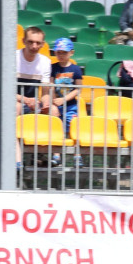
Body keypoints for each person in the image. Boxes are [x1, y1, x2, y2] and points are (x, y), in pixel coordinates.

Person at [49, 38, 84, 168]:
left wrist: (64, 99)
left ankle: (77, 155)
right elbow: (51, 86)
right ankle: (56, 155)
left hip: (71, 105)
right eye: (58, 52)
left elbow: (78, 89)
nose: (61, 55)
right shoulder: (53, 68)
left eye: (64, 52)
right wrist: (54, 102)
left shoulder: (76, 69)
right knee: (56, 128)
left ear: (71, 52)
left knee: (74, 129)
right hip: (56, 105)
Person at [16, 26, 57, 118]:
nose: (34, 46)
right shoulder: (13, 57)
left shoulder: (45, 62)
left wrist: (46, 104)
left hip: (33, 103)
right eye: (30, 42)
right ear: (23, 41)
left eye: (38, 43)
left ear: (42, 44)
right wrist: (26, 100)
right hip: (13, 101)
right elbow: (5, 90)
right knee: (17, 107)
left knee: (53, 110)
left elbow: (45, 93)